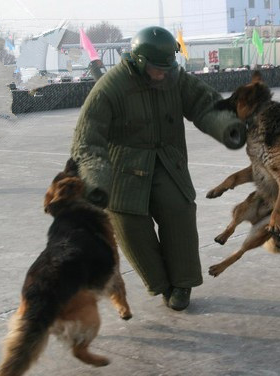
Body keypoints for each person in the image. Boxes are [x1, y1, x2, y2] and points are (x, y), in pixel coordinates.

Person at [70, 26, 246, 311]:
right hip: (123, 171)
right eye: (157, 69)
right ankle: (162, 284)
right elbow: (87, 142)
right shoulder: (110, 88)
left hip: (167, 162)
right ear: (140, 63)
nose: (163, 74)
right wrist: (96, 181)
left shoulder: (174, 78)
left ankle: (183, 283)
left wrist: (228, 127)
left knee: (180, 213)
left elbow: (204, 103)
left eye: (167, 68)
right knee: (129, 227)